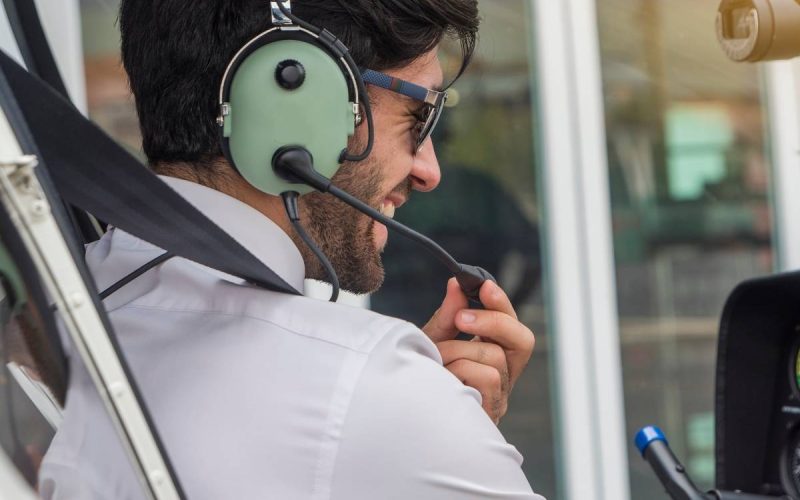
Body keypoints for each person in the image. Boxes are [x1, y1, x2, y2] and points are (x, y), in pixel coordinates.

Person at [38, 1, 544, 498]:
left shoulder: (44, 324)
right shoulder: (367, 384)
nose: (429, 171)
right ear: (291, 92)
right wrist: (445, 428)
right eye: (419, 115)